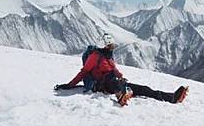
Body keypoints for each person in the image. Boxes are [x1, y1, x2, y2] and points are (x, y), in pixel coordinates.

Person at [54, 33, 188, 106]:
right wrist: (69, 85)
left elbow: (114, 70)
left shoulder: (108, 56)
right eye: (110, 46)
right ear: (104, 46)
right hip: (102, 85)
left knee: (145, 89)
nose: (112, 48)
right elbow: (83, 72)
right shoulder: (95, 56)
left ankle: (171, 97)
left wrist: (121, 76)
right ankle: (122, 94)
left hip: (114, 82)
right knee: (114, 81)